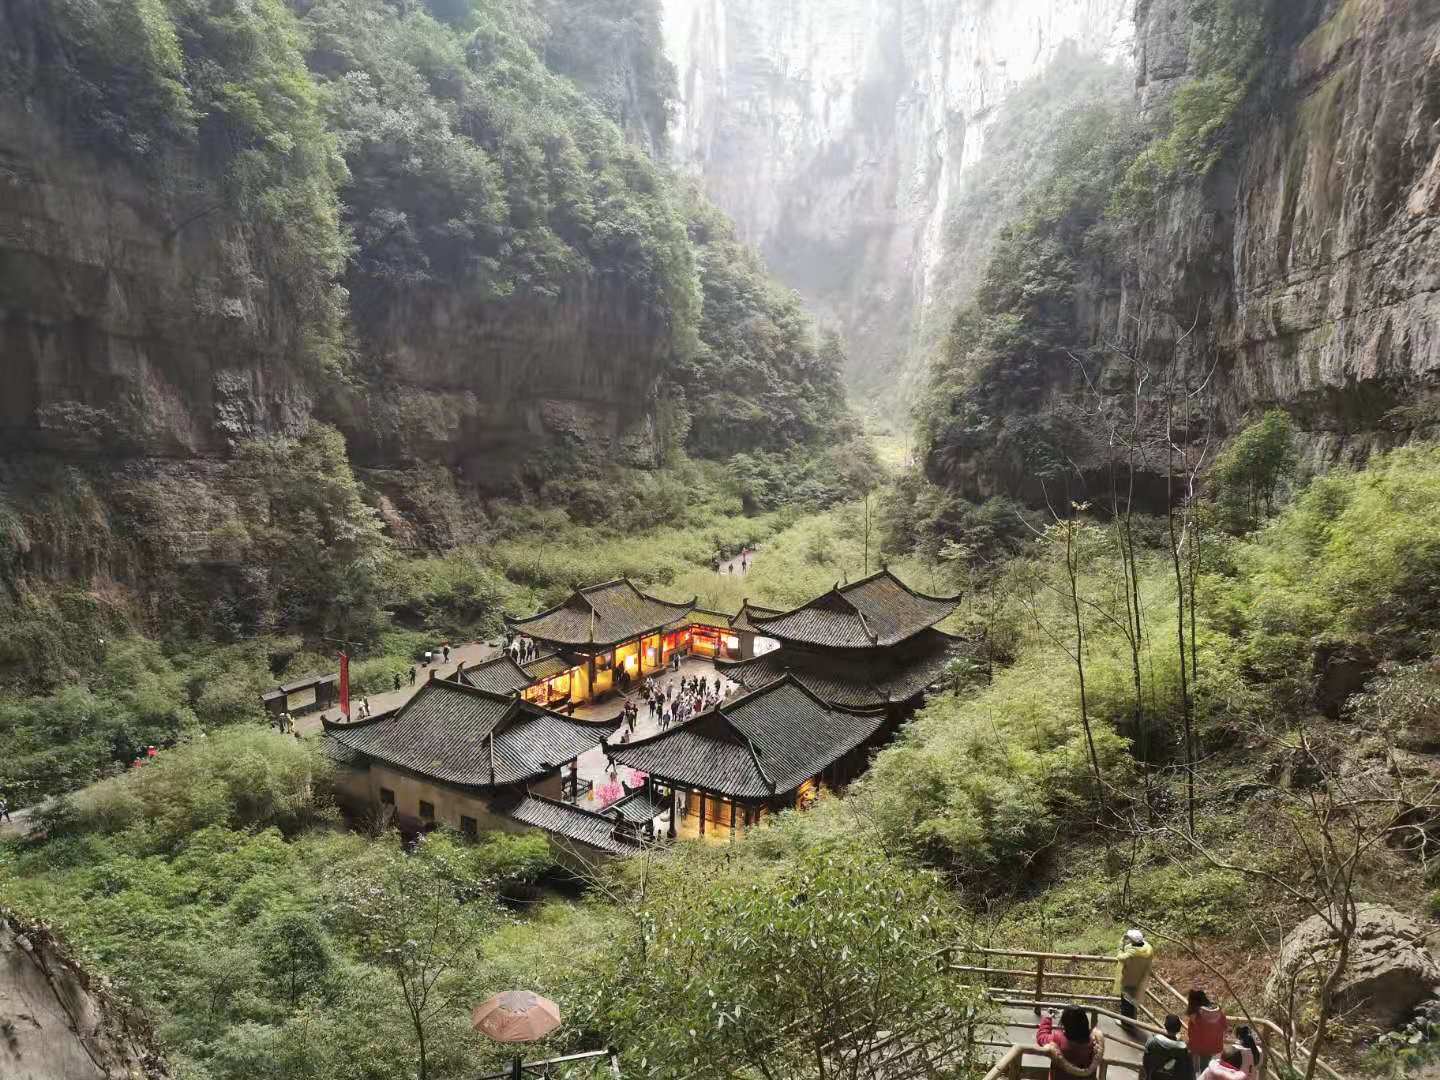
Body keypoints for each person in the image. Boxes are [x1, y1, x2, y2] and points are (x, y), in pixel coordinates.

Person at [1037, 1006, 1104, 1079]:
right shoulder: (1093, 1042)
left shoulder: (1057, 1038)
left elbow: (1041, 1038)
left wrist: (1047, 1018)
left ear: (1065, 1023)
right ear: (1085, 1021)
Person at [1115, 928, 1155, 1023]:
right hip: (1139, 980)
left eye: (1129, 938)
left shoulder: (1130, 954)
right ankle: (1133, 1021)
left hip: (1128, 980)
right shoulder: (1148, 949)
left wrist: (1121, 945)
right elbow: (1142, 944)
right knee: (1133, 1003)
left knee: (1126, 1003)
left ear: (1132, 941)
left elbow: (1120, 957)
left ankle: (1125, 1023)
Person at [1185, 990, 1227, 1073]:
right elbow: (1224, 1026)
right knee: (1208, 1068)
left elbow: (1194, 1029)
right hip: (1215, 1045)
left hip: (1200, 1046)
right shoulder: (1217, 1010)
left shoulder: (1195, 1014)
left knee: (1200, 1070)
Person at [1142, 1015, 1194, 1080]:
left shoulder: (1152, 1041)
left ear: (1165, 1025)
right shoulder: (1183, 1049)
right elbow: (1188, 1073)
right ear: (1179, 1028)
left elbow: (1146, 1062)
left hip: (1153, 1076)